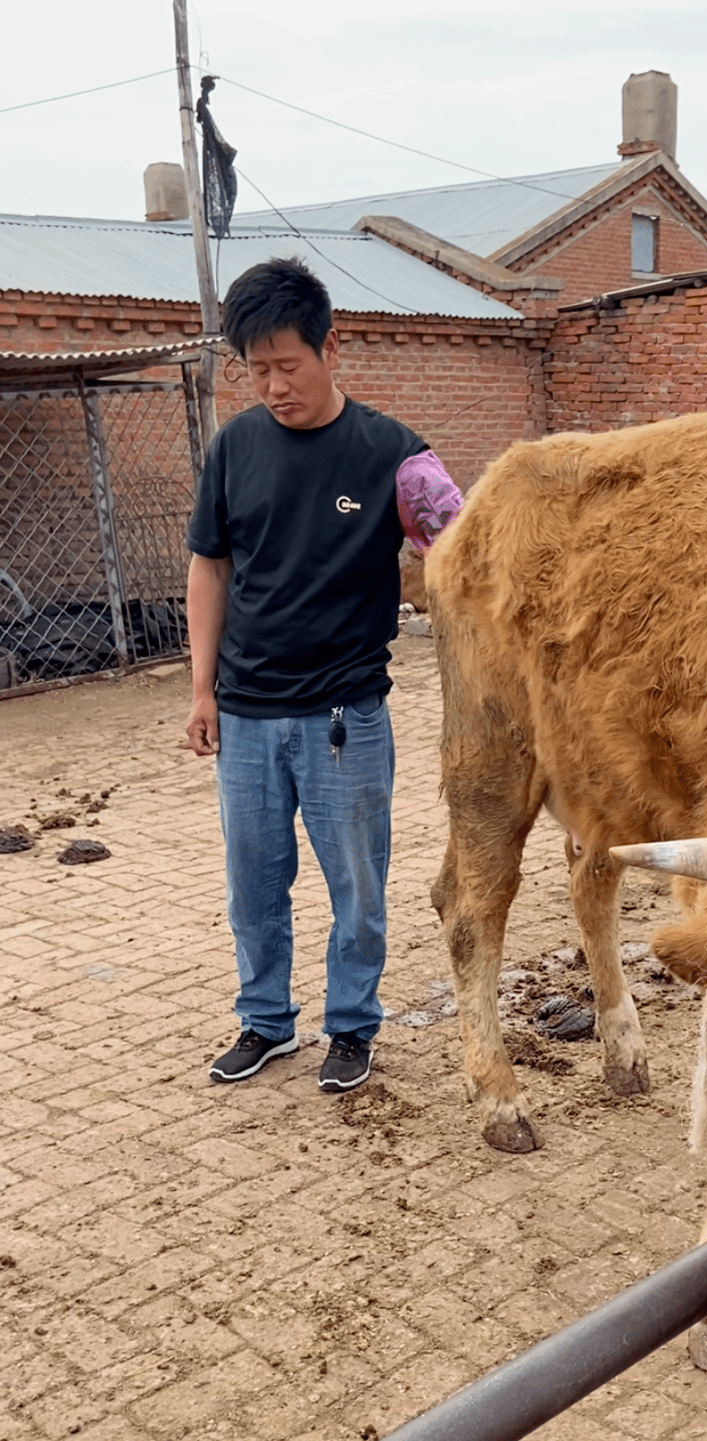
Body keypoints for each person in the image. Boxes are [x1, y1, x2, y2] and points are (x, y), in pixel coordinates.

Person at [185, 256, 463, 1093]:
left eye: (287, 364)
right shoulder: (234, 448)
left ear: (330, 346)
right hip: (247, 716)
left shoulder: (393, 454)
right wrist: (201, 689)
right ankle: (266, 1022)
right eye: (255, 369)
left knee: (357, 886)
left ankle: (351, 1027)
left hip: (346, 718)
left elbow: (459, 543)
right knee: (254, 884)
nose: (272, 385)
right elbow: (210, 568)